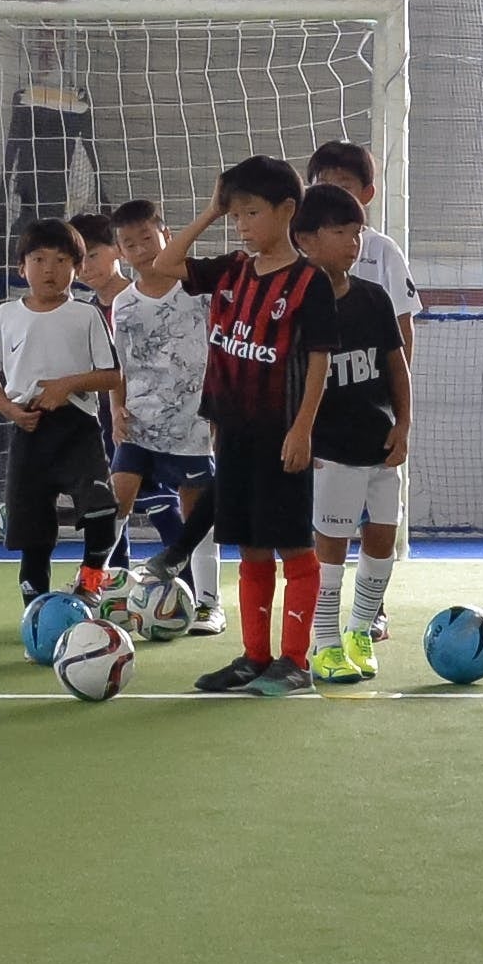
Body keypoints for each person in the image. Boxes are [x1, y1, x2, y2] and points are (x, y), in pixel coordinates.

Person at [185, 155, 328, 697]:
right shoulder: (232, 270)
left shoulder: (309, 281)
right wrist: (209, 211)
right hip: (234, 435)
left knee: (293, 545)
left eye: (251, 213)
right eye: (235, 215)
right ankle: (253, 656)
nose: (241, 225)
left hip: (280, 435)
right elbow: (164, 265)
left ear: (287, 210)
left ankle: (295, 661)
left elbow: (318, 360)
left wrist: (303, 428)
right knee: (249, 548)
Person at [285, 180, 415, 682]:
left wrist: (403, 424)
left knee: (381, 538)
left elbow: (396, 366)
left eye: (358, 232)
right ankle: (324, 643)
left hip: (377, 441)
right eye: (340, 232)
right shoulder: (295, 305)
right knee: (331, 547)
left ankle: (360, 630)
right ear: (306, 239)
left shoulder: (373, 297)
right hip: (329, 449)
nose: (354, 243)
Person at [0, 220, 123, 613]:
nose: (49, 269)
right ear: (22, 267)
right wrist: (11, 411)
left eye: (61, 260)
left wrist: (67, 385)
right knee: (34, 533)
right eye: (39, 260)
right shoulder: (6, 315)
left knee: (102, 509)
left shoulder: (86, 315)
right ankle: (36, 611)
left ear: (77, 267)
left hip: (77, 429)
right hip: (29, 429)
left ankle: (91, 580)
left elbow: (112, 375)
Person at [105, 194, 216, 619]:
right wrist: (117, 409)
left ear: (166, 234)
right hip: (140, 422)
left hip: (193, 423)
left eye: (147, 238)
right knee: (117, 500)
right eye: (130, 244)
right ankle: (97, 586)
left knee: (196, 513)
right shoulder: (124, 303)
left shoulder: (199, 290)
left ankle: (208, 603)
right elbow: (119, 365)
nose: (141, 249)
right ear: (121, 252)